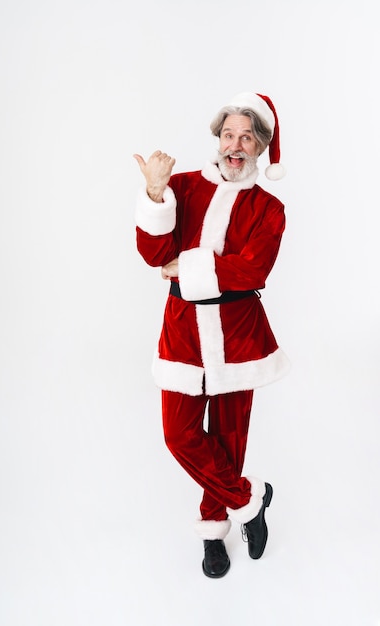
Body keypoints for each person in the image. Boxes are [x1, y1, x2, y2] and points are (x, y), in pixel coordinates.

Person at [133, 92, 289, 578]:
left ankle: (213, 532)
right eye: (228, 134)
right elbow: (153, 254)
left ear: (261, 147)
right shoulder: (182, 186)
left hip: (238, 336)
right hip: (183, 334)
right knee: (179, 435)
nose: (235, 145)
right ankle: (249, 499)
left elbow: (253, 270)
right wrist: (155, 195)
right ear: (217, 139)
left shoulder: (270, 208)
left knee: (227, 439)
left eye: (247, 136)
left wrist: (190, 266)